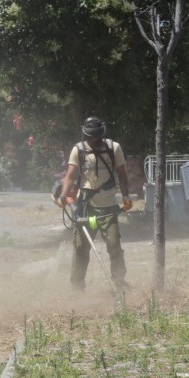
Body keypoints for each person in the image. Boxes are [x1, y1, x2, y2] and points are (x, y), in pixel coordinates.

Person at [57, 116, 133, 291]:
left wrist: (126, 197)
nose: (95, 139)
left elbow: (122, 175)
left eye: (98, 136)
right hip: (85, 207)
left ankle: (119, 280)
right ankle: (77, 285)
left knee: (114, 244)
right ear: (86, 135)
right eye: (92, 137)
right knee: (80, 247)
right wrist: (63, 196)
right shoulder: (79, 150)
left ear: (102, 133)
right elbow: (70, 176)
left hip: (109, 207)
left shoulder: (114, 148)